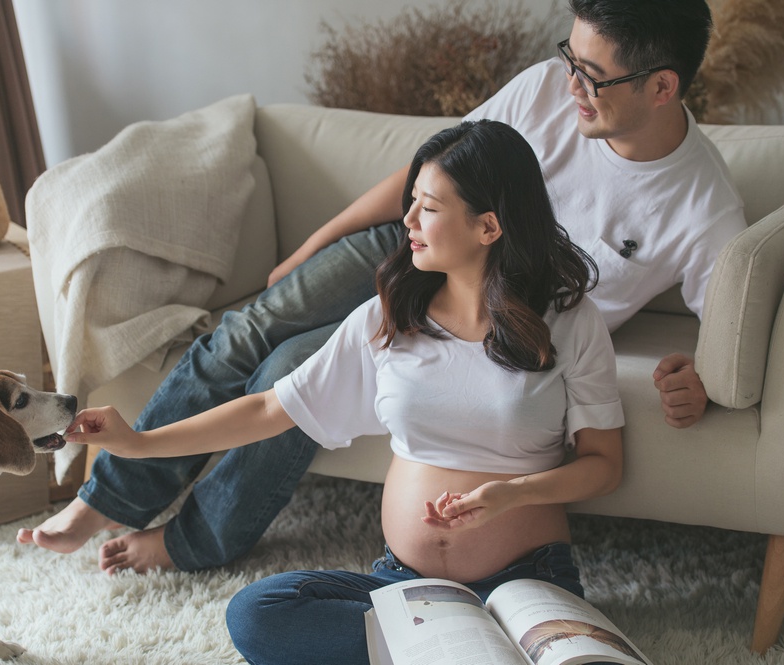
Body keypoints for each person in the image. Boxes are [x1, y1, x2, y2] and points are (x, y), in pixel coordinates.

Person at [17, 0, 744, 575]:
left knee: (287, 376)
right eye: (569, 60)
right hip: (409, 248)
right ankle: (104, 499)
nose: (571, 87)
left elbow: (730, 338)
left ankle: (191, 540)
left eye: (593, 75)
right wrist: (316, 240)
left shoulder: (701, 204)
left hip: (489, 305)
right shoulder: (546, 94)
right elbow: (430, 177)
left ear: (661, 86)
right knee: (246, 329)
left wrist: (698, 380)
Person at [62, 120, 626, 665]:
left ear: (489, 226)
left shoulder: (569, 321)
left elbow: (603, 466)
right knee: (258, 613)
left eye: (428, 208)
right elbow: (266, 409)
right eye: (412, 202)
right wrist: (136, 442)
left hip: (525, 581)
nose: (407, 220)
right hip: (410, 586)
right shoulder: (389, 317)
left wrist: (512, 494)